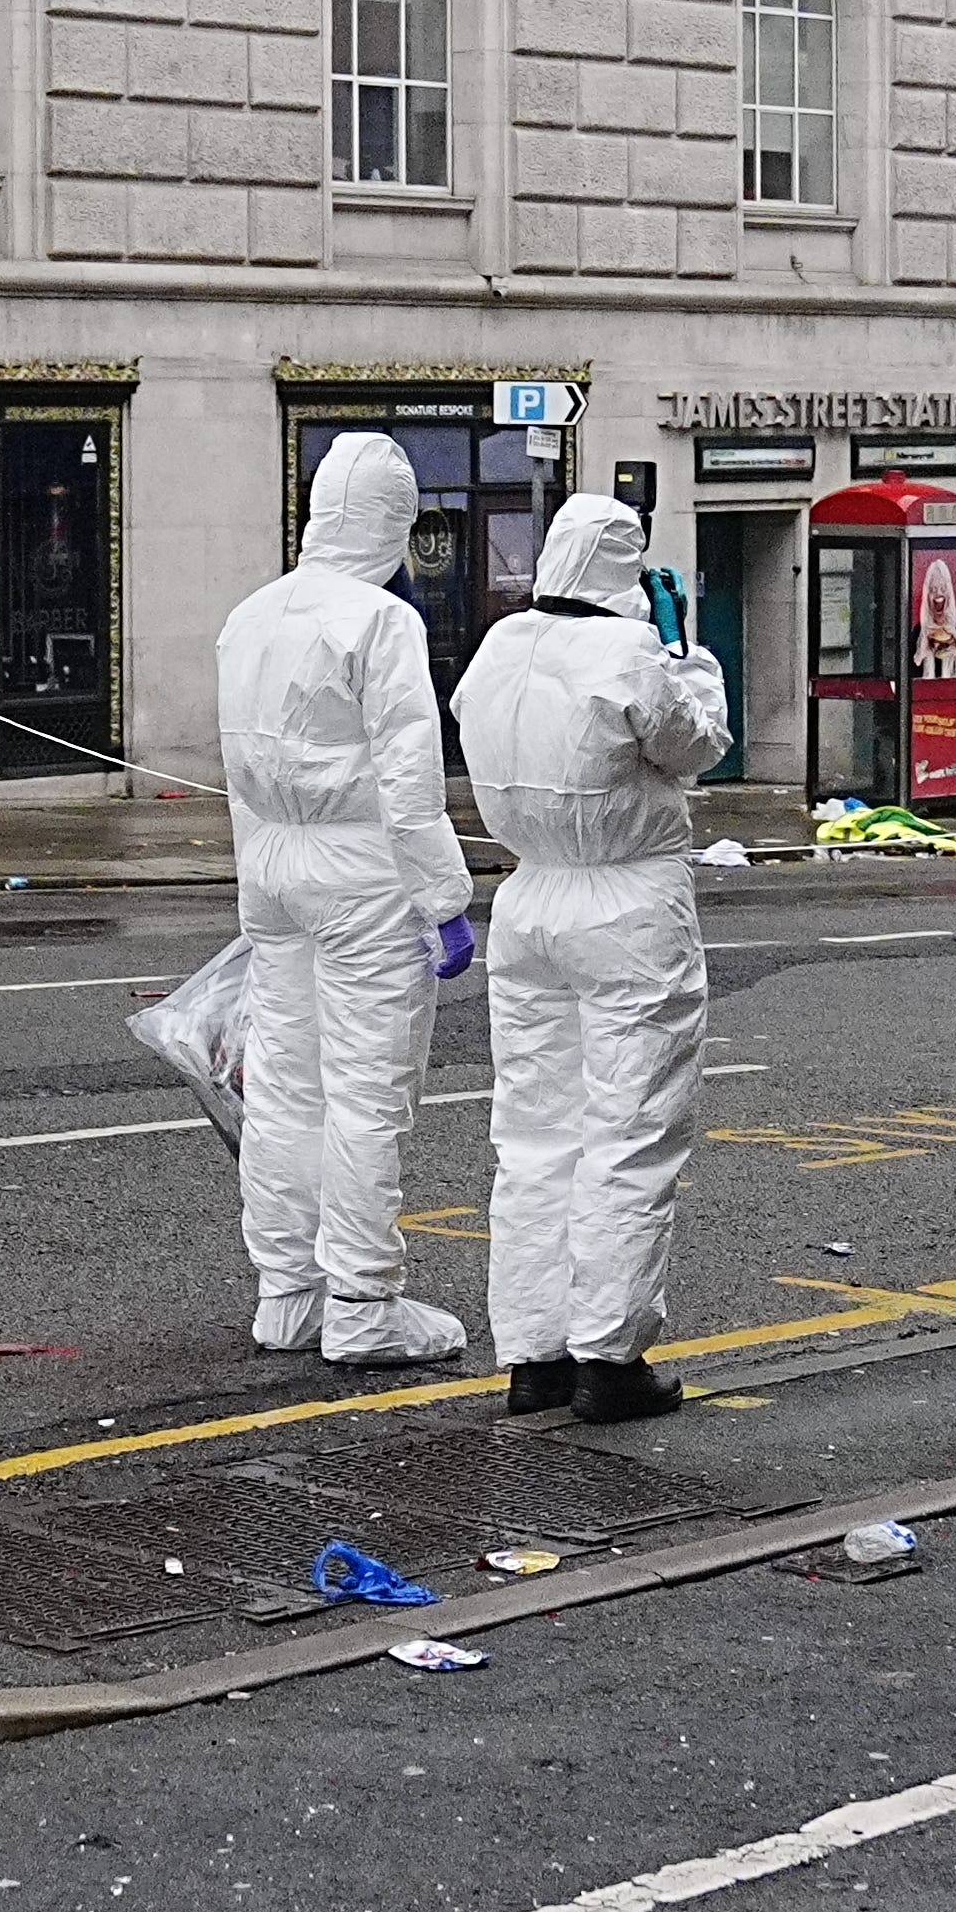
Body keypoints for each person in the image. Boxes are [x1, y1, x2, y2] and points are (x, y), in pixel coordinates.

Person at [457, 495, 731, 1425]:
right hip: (625, 901)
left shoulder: (497, 647)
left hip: (528, 897)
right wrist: (684, 648)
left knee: (533, 1137)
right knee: (630, 1131)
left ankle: (532, 1355)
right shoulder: (630, 655)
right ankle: (609, 1359)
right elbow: (697, 746)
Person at [213, 437, 480, 1368]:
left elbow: (240, 773)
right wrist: (444, 899)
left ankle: (287, 1293)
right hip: (363, 877)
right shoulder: (380, 622)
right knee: (367, 1095)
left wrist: (258, 885)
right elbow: (410, 781)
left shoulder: (248, 618)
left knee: (284, 1088)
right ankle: (365, 1304)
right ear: (392, 525)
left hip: (273, 872)